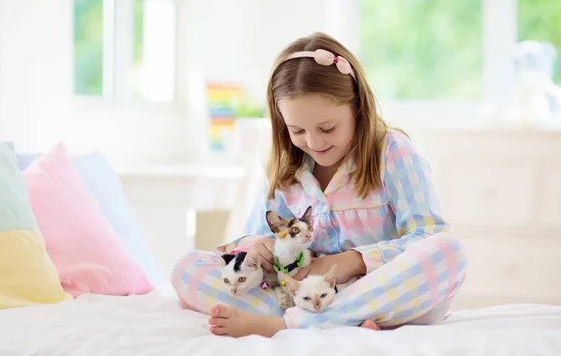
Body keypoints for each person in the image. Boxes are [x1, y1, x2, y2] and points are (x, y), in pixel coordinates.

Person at [170, 32, 467, 338]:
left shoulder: (393, 152)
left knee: (449, 250)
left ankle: (292, 325)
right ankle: (340, 322)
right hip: (303, 297)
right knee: (187, 268)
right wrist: (255, 249)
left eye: (327, 128)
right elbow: (256, 238)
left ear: (357, 109)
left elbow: (428, 236)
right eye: (297, 130)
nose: (313, 142)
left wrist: (352, 262)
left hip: (385, 294)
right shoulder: (285, 167)